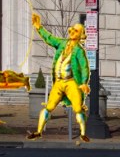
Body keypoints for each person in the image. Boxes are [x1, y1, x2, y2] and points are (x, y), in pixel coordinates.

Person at [27, 12, 91, 142]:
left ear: (80, 35)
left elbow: (84, 67)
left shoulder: (79, 51)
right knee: (49, 107)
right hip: (59, 83)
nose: (72, 31)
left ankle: (83, 133)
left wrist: (84, 82)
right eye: (72, 29)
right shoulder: (62, 44)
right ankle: (39, 131)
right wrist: (38, 27)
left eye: (76, 30)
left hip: (71, 83)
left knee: (78, 108)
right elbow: (49, 38)